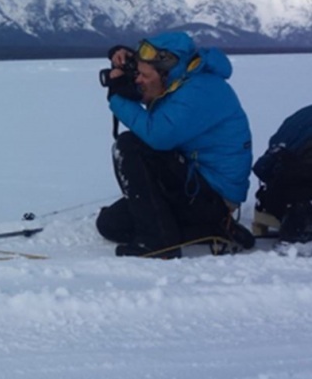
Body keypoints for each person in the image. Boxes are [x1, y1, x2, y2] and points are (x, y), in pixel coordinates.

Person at [97, 31, 254, 258]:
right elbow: (159, 97)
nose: (138, 80)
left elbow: (158, 135)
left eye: (142, 75)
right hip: (194, 184)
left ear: (166, 71)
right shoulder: (180, 82)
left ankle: (157, 244)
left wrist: (116, 96)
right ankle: (210, 228)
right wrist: (124, 60)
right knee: (111, 224)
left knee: (130, 145)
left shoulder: (202, 90)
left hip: (214, 195)